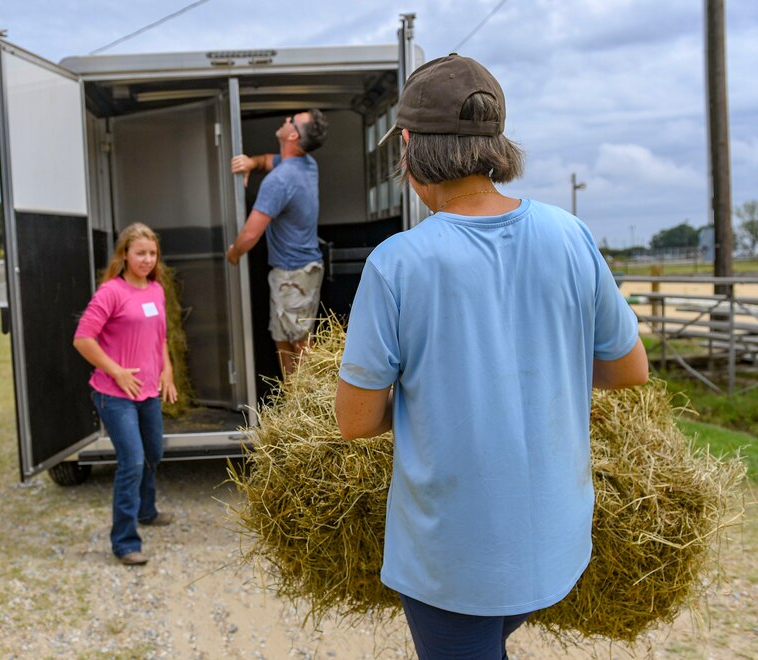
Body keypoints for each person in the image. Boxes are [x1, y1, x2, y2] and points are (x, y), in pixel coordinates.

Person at [335, 54, 649, 659]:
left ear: (408, 147)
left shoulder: (398, 262)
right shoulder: (570, 234)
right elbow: (629, 368)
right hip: (554, 539)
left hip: (456, 555)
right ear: (495, 144)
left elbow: (354, 422)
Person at [73, 222, 178, 566]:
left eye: (152, 253)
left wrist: (167, 371)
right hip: (114, 393)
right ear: (125, 255)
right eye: (140, 253)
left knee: (153, 453)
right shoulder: (111, 292)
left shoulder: (155, 290)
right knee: (131, 461)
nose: (147, 259)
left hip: (147, 390)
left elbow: (159, 337)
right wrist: (115, 370)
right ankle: (124, 541)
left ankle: (147, 511)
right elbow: (83, 339)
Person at [226, 109, 329, 377]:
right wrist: (250, 163)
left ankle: (308, 408)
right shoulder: (306, 164)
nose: (285, 120)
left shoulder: (280, 181)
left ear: (293, 134)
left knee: (298, 342)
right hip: (299, 270)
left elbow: (250, 235)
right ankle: (293, 403)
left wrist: (234, 253)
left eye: (291, 120)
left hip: (294, 274)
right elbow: (266, 161)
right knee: (285, 337)